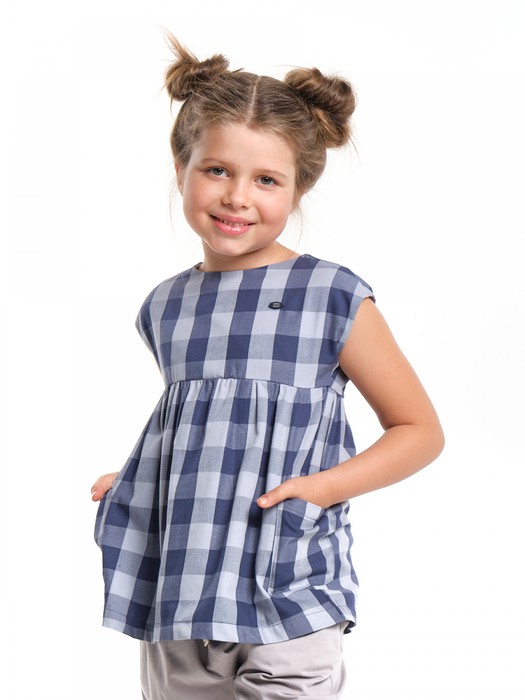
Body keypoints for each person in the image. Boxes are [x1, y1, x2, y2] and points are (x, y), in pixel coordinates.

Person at [92, 34, 444, 700]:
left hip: (289, 586)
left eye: (266, 180)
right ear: (181, 166)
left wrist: (322, 489)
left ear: (299, 187)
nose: (236, 197)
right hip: (181, 590)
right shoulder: (165, 305)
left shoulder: (331, 295)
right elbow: (198, 422)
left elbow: (418, 431)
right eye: (216, 170)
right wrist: (146, 477)